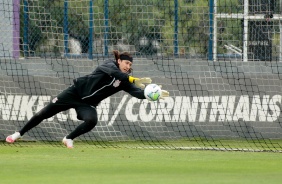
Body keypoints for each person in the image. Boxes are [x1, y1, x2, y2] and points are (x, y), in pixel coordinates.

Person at [5, 50, 169, 148]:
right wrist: (132, 79)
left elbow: (136, 93)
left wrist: (150, 94)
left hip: (88, 104)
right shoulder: (109, 65)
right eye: (126, 63)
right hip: (74, 93)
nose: (128, 67)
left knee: (91, 120)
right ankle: (18, 134)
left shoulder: (124, 80)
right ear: (119, 61)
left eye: (130, 65)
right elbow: (115, 73)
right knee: (43, 113)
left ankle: (68, 138)